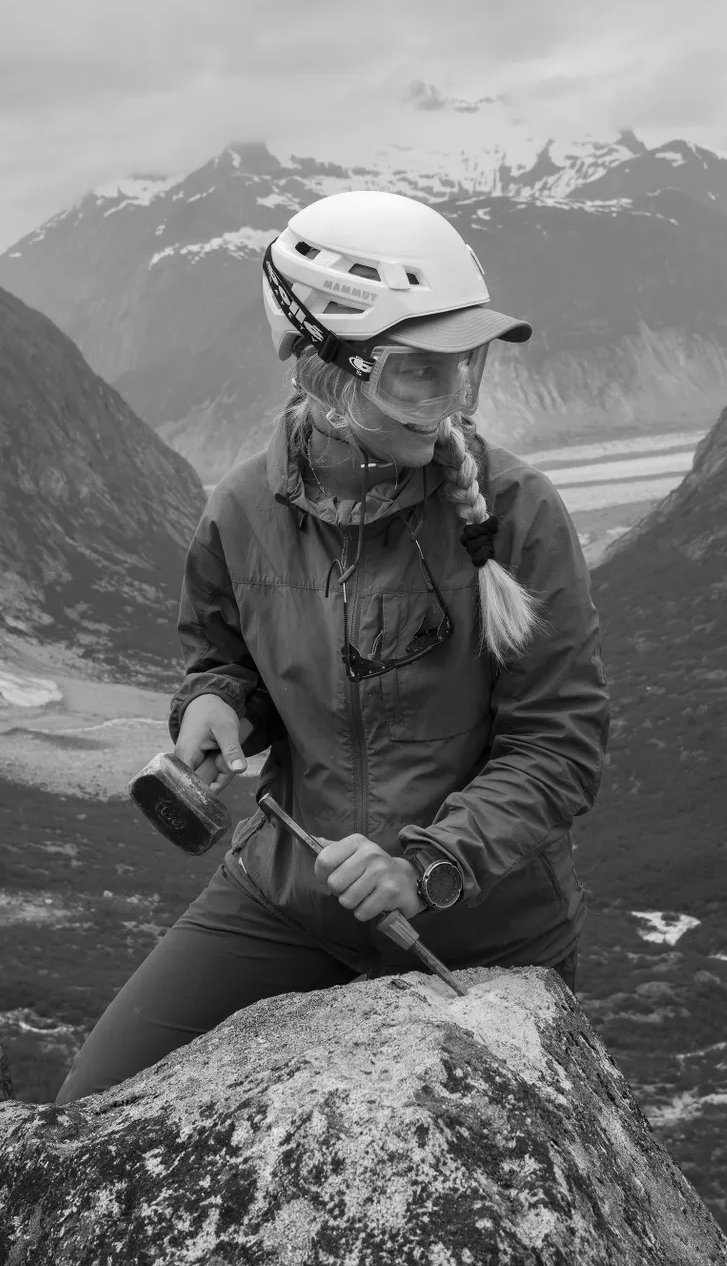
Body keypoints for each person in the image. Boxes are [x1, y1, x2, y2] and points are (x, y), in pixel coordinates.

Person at [56, 190, 610, 1105]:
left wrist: (423, 865)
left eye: (463, 368)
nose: (448, 403)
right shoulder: (241, 511)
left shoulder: (518, 514)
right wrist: (216, 704)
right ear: (325, 366)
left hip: (483, 923)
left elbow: (559, 746)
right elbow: (223, 653)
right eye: (413, 372)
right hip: (294, 894)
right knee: (85, 1111)